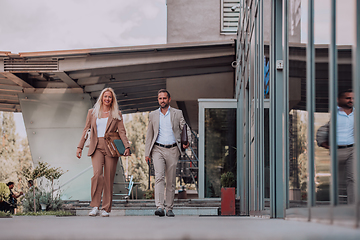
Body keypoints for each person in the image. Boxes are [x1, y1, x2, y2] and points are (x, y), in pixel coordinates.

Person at [76, 87, 131, 217]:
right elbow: (86, 130)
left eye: (110, 97)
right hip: (96, 146)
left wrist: (126, 147)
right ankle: (95, 206)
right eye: (105, 96)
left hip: (111, 147)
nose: (107, 99)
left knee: (108, 178)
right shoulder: (92, 112)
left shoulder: (117, 114)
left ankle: (106, 208)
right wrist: (80, 147)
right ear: (102, 98)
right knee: (97, 175)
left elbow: (122, 132)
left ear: (112, 100)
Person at [145, 89, 191, 217]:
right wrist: (146, 153)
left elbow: (185, 128)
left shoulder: (177, 113)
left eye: (164, 98)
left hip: (173, 149)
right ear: (158, 100)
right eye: (160, 98)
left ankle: (169, 208)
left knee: (170, 180)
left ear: (169, 99)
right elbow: (149, 135)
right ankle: (159, 207)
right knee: (159, 177)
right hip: (157, 149)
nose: (162, 101)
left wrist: (188, 142)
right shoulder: (153, 115)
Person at [320, 89, 354, 204]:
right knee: (337, 180)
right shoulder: (333, 113)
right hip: (336, 150)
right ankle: (336, 205)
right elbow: (324, 128)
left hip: (352, 149)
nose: (351, 100)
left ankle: (353, 207)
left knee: (353, 179)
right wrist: (324, 143)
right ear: (339, 100)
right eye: (348, 98)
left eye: (353, 98)